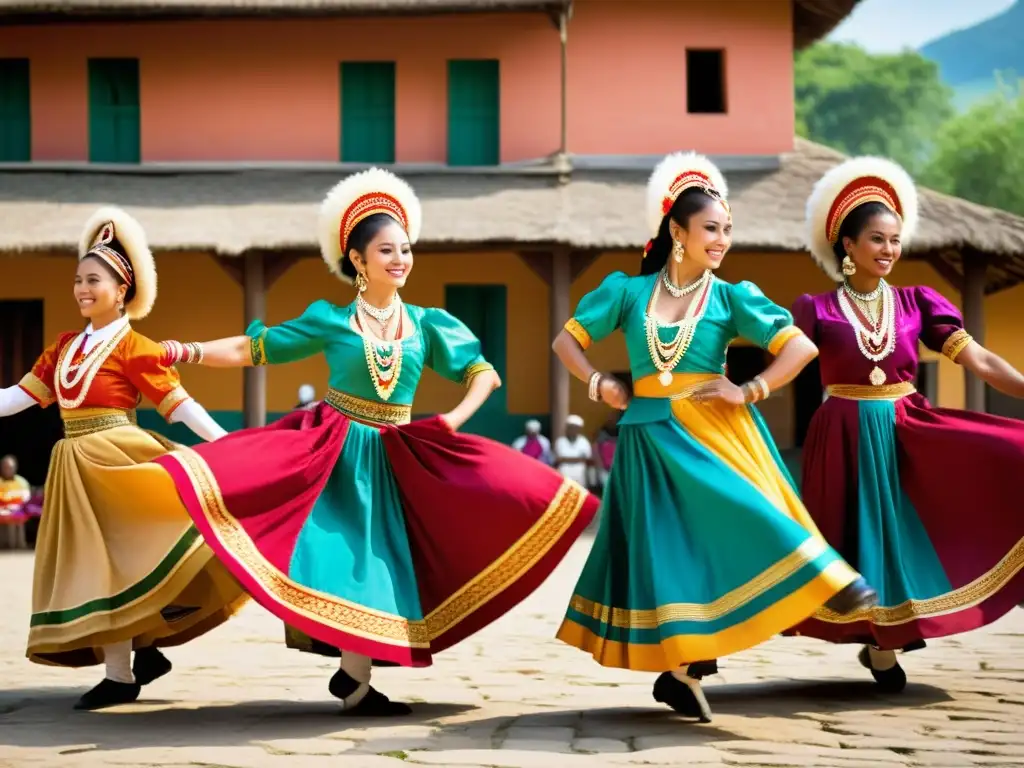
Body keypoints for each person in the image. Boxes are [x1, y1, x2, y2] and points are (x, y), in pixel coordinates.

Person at [156, 168, 599, 716]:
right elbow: (256, 349)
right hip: (334, 451)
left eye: (406, 249)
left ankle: (353, 676)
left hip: (397, 455)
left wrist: (454, 421)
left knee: (395, 558)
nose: (399, 259)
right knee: (336, 556)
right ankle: (341, 672)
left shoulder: (427, 323)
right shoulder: (330, 320)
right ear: (358, 261)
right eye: (386, 250)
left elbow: (483, 374)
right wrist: (185, 351)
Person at [550, 151, 878, 722]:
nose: (723, 239)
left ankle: (826, 576)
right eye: (711, 228)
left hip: (713, 433)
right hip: (649, 438)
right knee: (669, 553)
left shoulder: (731, 296)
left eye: (728, 229)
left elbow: (800, 347)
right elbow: (565, 342)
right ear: (677, 231)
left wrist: (748, 390)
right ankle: (681, 671)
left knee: (743, 514)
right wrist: (599, 381)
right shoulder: (628, 293)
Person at [787, 156, 1024, 691]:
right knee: (856, 538)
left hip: (905, 429)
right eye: (876, 239)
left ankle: (885, 645)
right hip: (842, 434)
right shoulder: (815, 310)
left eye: (895, 240)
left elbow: (981, 362)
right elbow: (784, 368)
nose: (889, 250)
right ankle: (879, 642)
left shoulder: (918, 303)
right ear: (847, 245)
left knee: (906, 531)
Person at [0, 208, 246, 710]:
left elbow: (180, 406)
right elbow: (13, 399)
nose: (82, 288)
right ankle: (136, 655)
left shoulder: (136, 346)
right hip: (74, 466)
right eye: (78, 280)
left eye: (93, 280)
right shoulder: (63, 347)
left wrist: (227, 442)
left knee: (135, 556)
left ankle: (125, 669)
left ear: (122, 289)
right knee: (101, 566)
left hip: (120, 459)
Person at [554, 415, 592, 486]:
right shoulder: (560, 441)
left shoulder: (584, 441)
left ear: (579, 429)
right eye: (570, 427)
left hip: (579, 473)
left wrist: (566, 459)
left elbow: (587, 458)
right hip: (564, 472)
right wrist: (578, 459)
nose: (572, 430)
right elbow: (558, 459)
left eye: (575, 428)